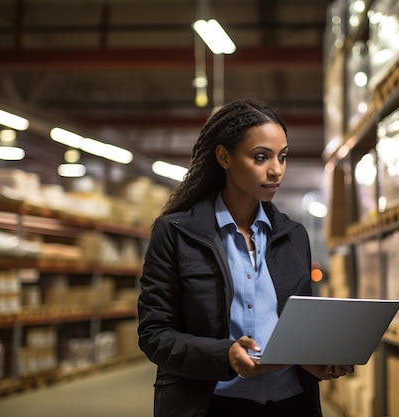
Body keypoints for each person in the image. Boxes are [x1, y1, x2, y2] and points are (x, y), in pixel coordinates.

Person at [137, 98, 354, 417]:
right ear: (224, 157)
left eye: (282, 157)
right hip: (212, 404)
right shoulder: (176, 233)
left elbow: (297, 325)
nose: (276, 170)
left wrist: (319, 359)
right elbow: (155, 334)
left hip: (290, 402)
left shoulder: (294, 236)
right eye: (260, 157)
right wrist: (225, 356)